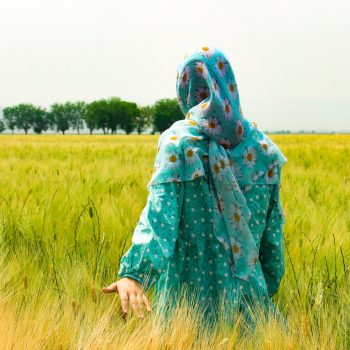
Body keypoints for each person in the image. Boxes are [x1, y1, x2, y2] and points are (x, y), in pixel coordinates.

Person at [102, 46, 288, 329]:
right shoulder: (263, 151)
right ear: (228, 84)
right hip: (249, 312)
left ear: (184, 90)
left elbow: (159, 219)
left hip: (186, 310)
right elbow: (272, 245)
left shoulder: (179, 143)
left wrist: (134, 273)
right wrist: (261, 289)